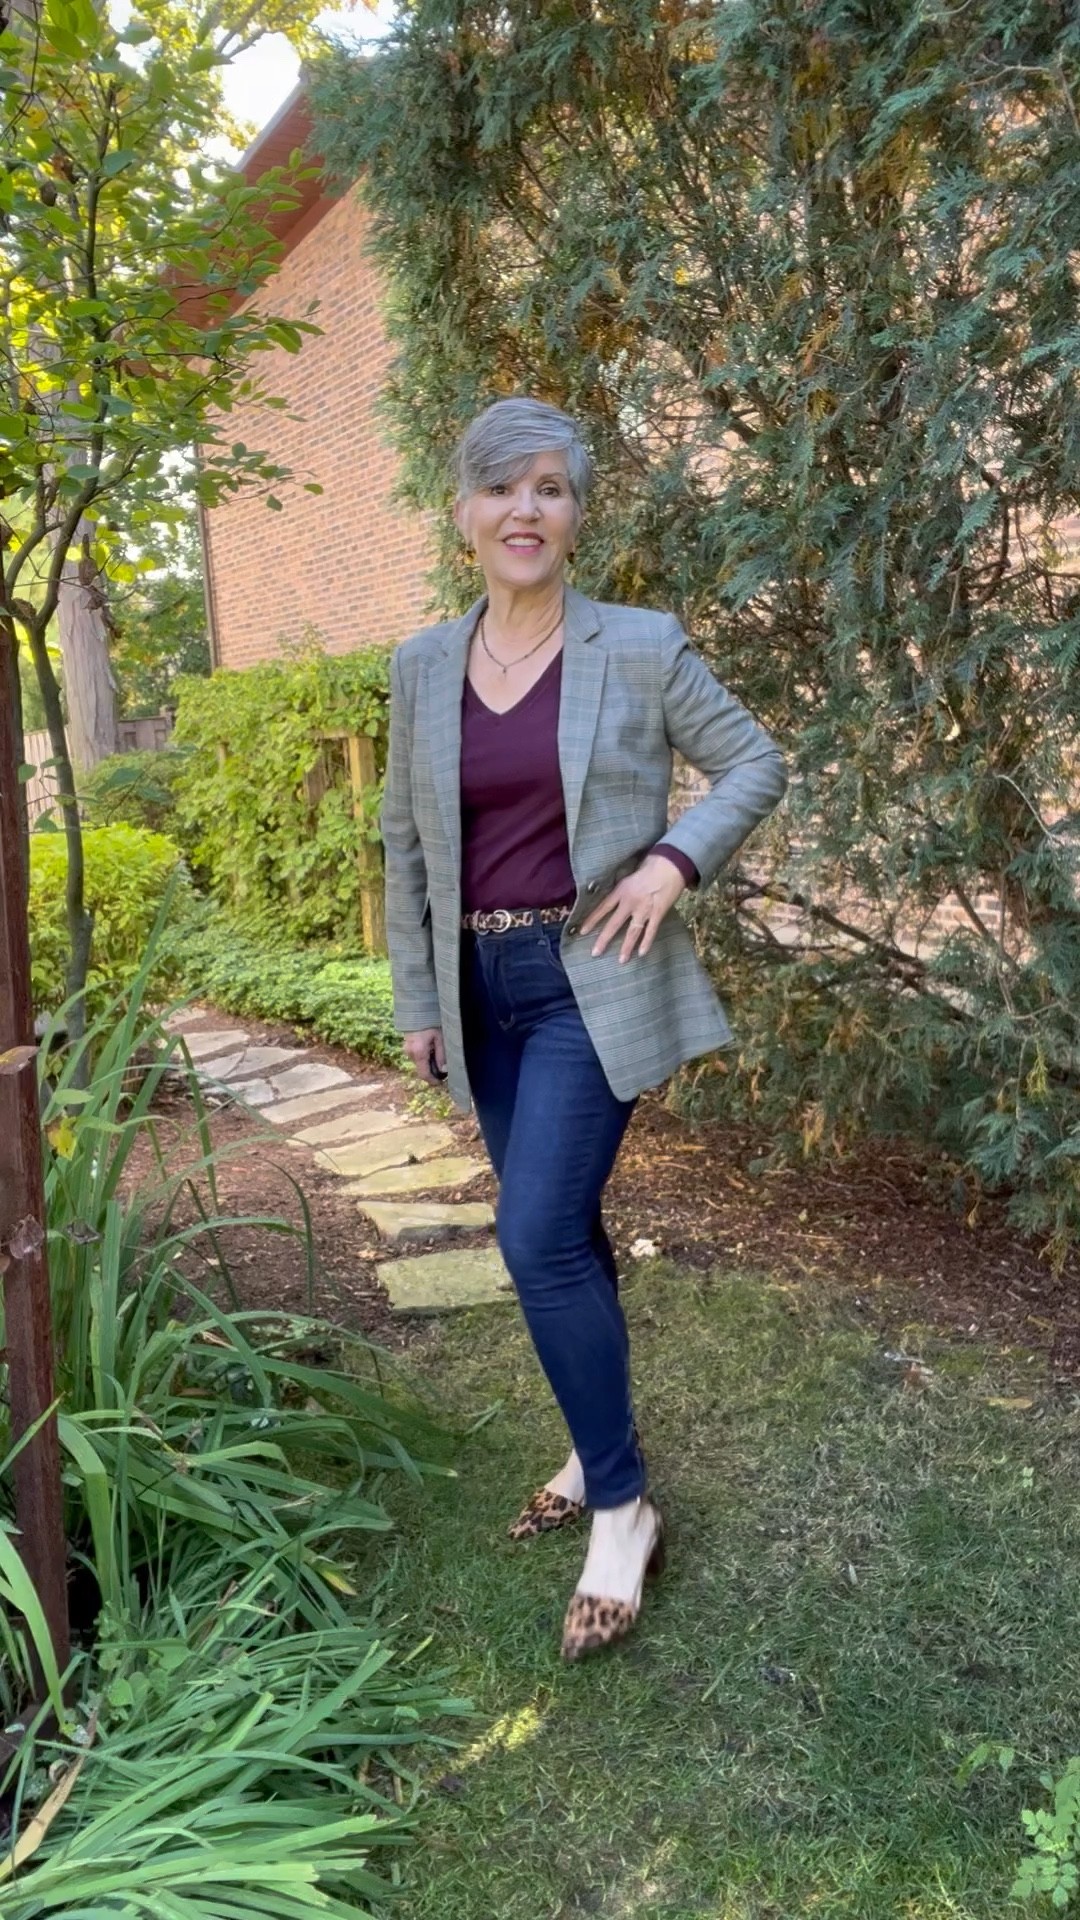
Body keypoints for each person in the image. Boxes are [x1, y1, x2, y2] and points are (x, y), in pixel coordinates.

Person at [381, 396, 787, 1660]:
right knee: (568, 1226)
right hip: (479, 992)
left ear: (576, 512)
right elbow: (403, 842)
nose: (527, 511)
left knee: (535, 1232)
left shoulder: (641, 645)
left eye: (551, 488)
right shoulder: (420, 665)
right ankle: (590, 1433)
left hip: (585, 980)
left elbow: (755, 762)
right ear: (464, 513)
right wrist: (415, 1002)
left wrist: (673, 861)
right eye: (504, 488)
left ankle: (622, 1505)